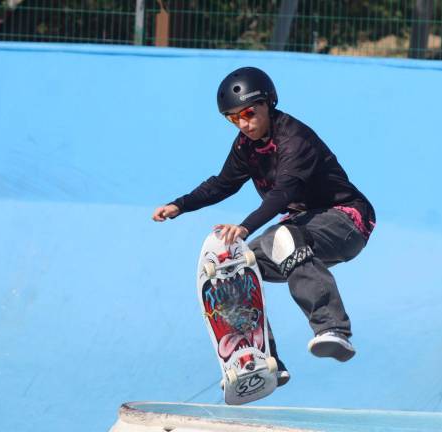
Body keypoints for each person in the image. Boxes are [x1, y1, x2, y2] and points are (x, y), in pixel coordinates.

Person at [152, 67, 375, 386]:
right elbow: (222, 184)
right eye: (233, 118)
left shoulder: (295, 139)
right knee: (233, 267)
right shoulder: (245, 145)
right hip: (301, 227)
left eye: (249, 113)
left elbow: (283, 193)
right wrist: (180, 205)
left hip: (348, 220)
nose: (244, 124)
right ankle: (262, 359)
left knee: (285, 235)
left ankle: (332, 329)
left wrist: (244, 227)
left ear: (268, 103)